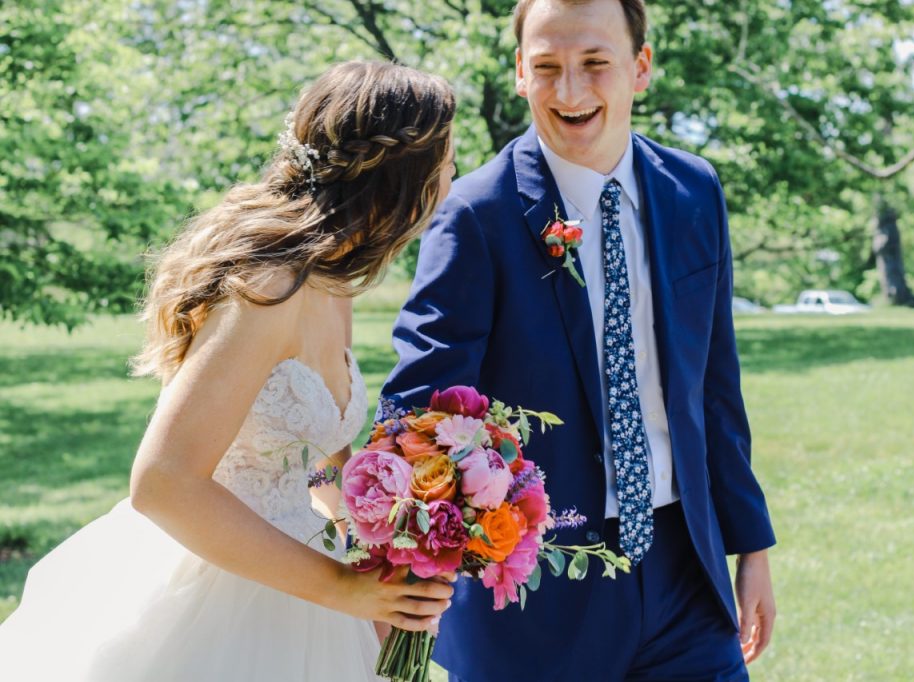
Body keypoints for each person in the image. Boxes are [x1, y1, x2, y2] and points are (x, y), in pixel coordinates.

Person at [0, 60, 457, 681]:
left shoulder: (334, 281)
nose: (453, 175)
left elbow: (314, 455)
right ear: (403, 180)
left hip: (313, 579)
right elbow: (163, 482)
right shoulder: (270, 288)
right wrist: (341, 589)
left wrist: (379, 545)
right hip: (222, 587)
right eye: (446, 160)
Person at [378, 1, 776, 680]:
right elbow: (419, 417)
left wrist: (752, 546)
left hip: (686, 576)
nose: (570, 91)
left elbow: (713, 385)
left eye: (595, 63)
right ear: (520, 75)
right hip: (533, 605)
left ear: (640, 67)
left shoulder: (694, 191)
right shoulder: (475, 215)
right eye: (547, 67)